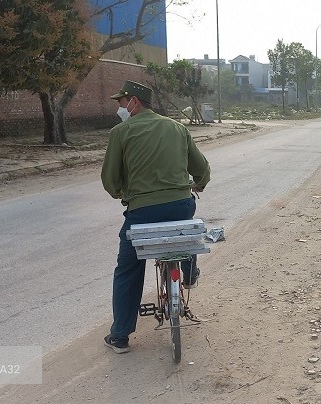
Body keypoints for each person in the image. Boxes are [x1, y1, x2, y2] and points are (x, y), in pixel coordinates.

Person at [101, 80, 211, 354]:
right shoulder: (177, 127)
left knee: (128, 267)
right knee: (186, 227)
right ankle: (188, 273)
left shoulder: (120, 132)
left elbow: (110, 181)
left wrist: (123, 192)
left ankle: (120, 336)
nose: (120, 108)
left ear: (134, 102)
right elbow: (201, 168)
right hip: (180, 204)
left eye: (121, 102)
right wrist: (198, 183)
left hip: (142, 212)